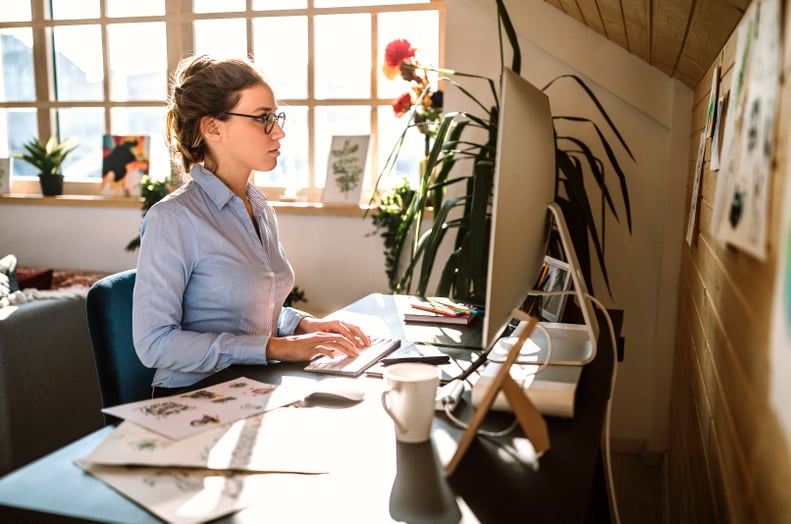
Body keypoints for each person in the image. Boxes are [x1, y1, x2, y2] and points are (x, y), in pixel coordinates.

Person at [133, 54, 371, 395]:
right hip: (195, 397)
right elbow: (154, 344)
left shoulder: (258, 207)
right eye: (263, 119)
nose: (279, 131)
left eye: (276, 117)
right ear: (213, 127)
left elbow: (253, 307)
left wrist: (304, 324)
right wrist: (274, 348)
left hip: (252, 386)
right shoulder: (172, 218)